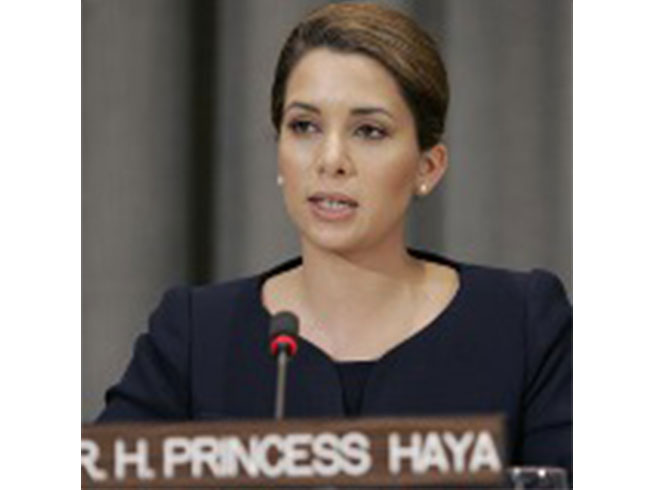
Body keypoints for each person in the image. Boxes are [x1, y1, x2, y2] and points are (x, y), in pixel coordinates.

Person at [97, 2, 572, 476]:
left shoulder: (521, 323)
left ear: (428, 167)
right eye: (304, 127)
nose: (330, 160)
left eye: (369, 131)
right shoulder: (197, 333)